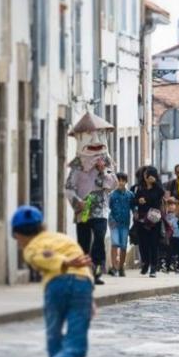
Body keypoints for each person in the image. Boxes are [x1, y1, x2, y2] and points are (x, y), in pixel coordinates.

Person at [11, 205, 95, 357]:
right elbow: (82, 263)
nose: (18, 243)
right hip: (82, 286)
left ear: (19, 234)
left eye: (17, 238)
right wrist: (89, 298)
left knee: (54, 338)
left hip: (56, 286)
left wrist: (64, 263)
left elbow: (45, 257)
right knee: (76, 347)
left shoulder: (30, 249)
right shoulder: (64, 238)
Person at [64, 112, 119, 286]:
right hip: (83, 210)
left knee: (99, 238)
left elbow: (113, 185)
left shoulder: (106, 163)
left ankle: (96, 270)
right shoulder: (77, 166)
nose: (95, 140)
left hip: (100, 208)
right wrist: (76, 202)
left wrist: (103, 171)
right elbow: (69, 188)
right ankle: (83, 272)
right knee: (83, 242)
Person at [134, 166, 165, 277]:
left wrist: (156, 183)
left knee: (153, 243)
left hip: (154, 218)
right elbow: (134, 200)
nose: (147, 176)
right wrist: (139, 200)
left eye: (149, 174)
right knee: (143, 243)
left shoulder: (158, 188)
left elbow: (160, 195)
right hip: (142, 219)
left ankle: (153, 267)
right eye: (146, 174)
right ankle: (145, 263)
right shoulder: (140, 187)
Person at [108, 172, 134, 277]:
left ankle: (121, 267)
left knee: (123, 246)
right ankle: (114, 267)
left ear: (126, 182)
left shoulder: (130, 195)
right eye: (119, 180)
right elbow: (108, 207)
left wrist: (136, 212)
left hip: (125, 223)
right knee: (115, 244)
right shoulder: (112, 195)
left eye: (123, 180)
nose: (121, 182)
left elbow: (133, 207)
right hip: (114, 222)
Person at [164, 198, 179, 272]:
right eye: (169, 205)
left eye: (173, 204)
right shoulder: (166, 215)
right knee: (169, 252)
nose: (171, 206)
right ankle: (167, 267)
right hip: (170, 236)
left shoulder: (178, 215)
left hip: (178, 236)